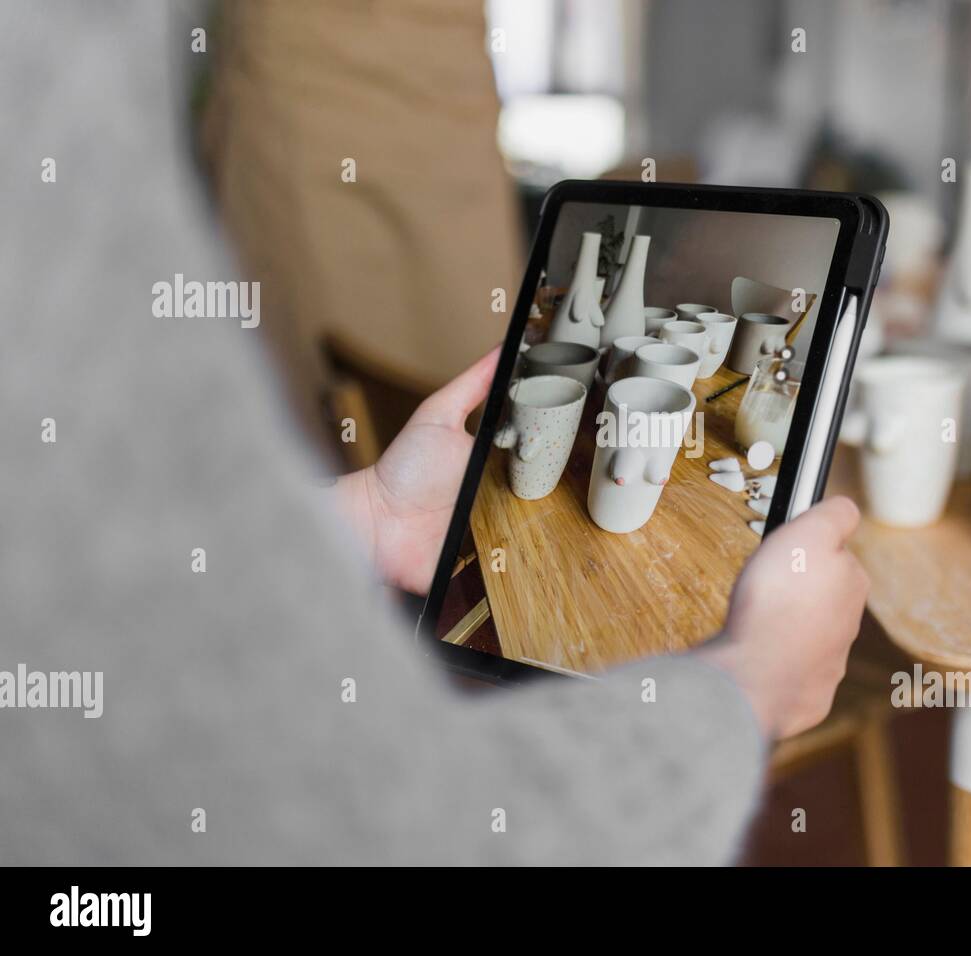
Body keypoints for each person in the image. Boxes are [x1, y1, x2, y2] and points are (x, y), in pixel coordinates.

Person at [0, 0, 868, 865]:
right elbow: (399, 835)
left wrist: (366, 517)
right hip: (299, 101)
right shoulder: (53, 111)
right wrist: (747, 689)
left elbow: (108, 584)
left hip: (432, 98)